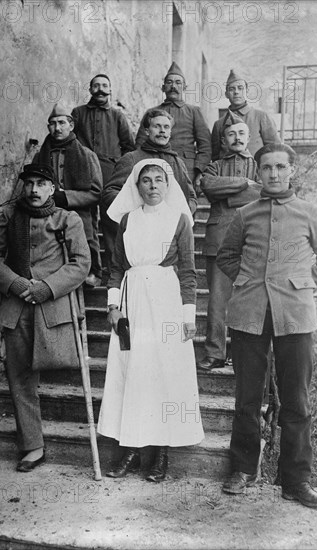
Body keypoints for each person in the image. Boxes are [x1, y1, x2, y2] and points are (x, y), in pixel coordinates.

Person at [217, 143, 317, 507]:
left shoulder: (309, 213)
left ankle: (296, 480)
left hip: (296, 317)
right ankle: (243, 468)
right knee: (247, 398)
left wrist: (301, 284)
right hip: (249, 314)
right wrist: (247, 283)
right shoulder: (245, 214)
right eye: (266, 168)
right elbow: (228, 256)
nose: (273, 174)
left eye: (279, 167)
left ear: (291, 171)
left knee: (296, 403)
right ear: (258, 173)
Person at [97, 159, 204, 482]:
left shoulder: (179, 221)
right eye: (146, 180)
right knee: (131, 371)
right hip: (132, 304)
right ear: (136, 185)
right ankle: (130, 448)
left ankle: (160, 453)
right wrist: (113, 307)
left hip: (166, 303)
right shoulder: (128, 220)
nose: (153, 185)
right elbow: (115, 267)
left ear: (168, 185)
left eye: (159, 179)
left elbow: (188, 271)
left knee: (164, 373)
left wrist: (187, 316)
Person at [0, 164, 91, 472]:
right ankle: (33, 446)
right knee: (19, 378)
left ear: (52, 188)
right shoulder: (10, 217)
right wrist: (15, 284)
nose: (33, 189)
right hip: (16, 308)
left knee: (58, 365)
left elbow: (82, 263)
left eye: (41, 183)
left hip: (53, 308)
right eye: (28, 183)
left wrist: (47, 287)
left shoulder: (67, 219)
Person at [197, 114, 261, 371]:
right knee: (217, 300)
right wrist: (244, 185)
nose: (237, 138)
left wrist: (232, 195)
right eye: (231, 134)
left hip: (251, 241)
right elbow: (208, 186)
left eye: (241, 134)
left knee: (248, 298)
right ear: (223, 139)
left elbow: (263, 191)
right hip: (218, 241)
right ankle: (215, 353)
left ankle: (241, 353)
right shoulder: (214, 166)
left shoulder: (258, 166)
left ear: (248, 138)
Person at [102, 109, 198, 260]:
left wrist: (180, 213)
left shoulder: (178, 162)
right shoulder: (131, 159)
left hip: (170, 235)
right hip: (141, 235)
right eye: (157, 126)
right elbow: (110, 193)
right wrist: (137, 211)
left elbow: (191, 196)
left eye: (166, 127)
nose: (162, 131)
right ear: (147, 131)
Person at [71, 74, 135, 279]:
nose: (100, 89)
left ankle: (115, 269)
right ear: (90, 89)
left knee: (112, 221)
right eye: (96, 85)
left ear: (110, 90)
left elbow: (129, 147)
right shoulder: (78, 113)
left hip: (111, 176)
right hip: (84, 175)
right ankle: (92, 271)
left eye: (105, 86)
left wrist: (120, 173)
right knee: (86, 222)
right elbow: (71, 142)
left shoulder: (117, 116)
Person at [33, 103, 103, 287]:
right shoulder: (39, 156)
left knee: (85, 239)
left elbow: (96, 192)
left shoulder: (87, 155)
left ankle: (91, 272)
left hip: (79, 213)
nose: (57, 128)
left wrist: (67, 197)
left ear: (71, 125)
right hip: (49, 214)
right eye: (53, 124)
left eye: (62, 123)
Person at [135, 62, 211, 193]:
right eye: (169, 82)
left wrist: (199, 171)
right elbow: (140, 144)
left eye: (178, 83)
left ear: (184, 87)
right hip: (155, 166)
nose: (173, 86)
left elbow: (205, 146)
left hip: (186, 169)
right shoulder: (151, 113)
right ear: (163, 88)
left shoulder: (193, 111)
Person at [211, 69, 281, 161]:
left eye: (240, 88)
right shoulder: (219, 124)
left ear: (247, 91)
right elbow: (215, 157)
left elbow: (275, 150)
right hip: (227, 174)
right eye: (232, 89)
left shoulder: (261, 117)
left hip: (255, 172)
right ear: (226, 94)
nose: (236, 92)